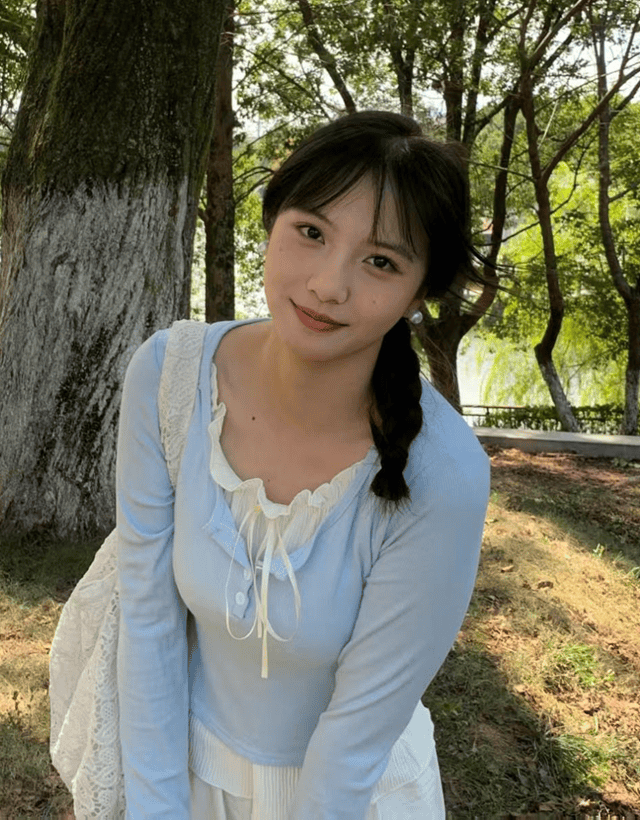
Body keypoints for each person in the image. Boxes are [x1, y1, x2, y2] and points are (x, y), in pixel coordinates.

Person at [116, 109, 491, 819]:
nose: (327, 285)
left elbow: (353, 744)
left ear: (417, 293)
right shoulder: (170, 378)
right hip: (188, 778)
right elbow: (147, 618)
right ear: (272, 220)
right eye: (312, 232)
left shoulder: (443, 475)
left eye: (381, 262)